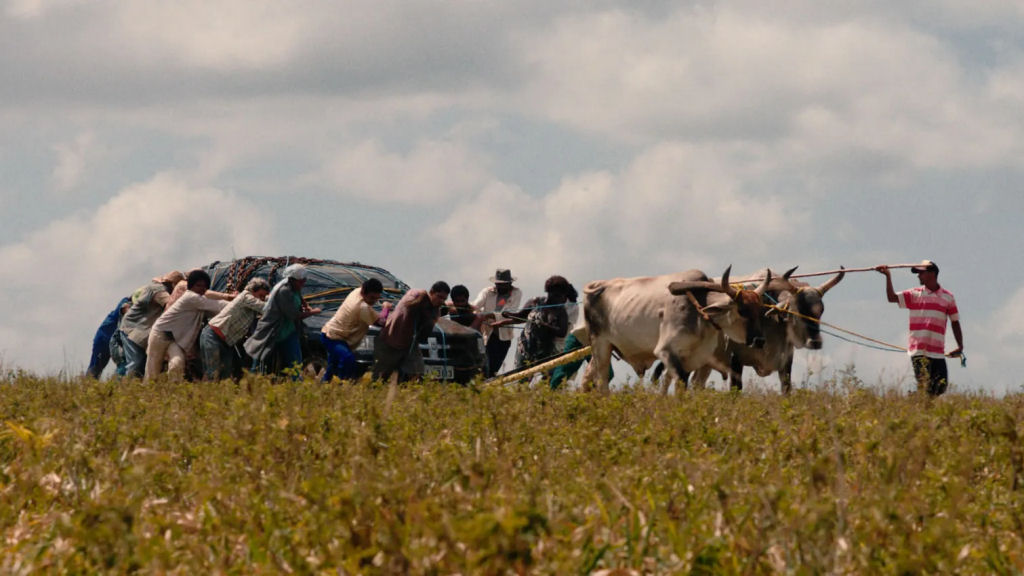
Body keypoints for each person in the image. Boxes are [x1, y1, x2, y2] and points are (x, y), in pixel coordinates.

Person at [876, 260, 964, 396]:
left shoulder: (948, 297)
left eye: (921, 273)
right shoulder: (914, 294)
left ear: (932, 273)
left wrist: (960, 345)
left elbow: (955, 322)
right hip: (919, 350)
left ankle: (914, 399)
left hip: (937, 351)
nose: (918, 276)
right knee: (925, 386)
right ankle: (917, 404)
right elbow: (891, 297)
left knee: (940, 386)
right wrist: (888, 276)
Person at [145, 269, 231, 381]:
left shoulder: (198, 299)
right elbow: (218, 305)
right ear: (190, 286)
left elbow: (212, 305)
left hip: (175, 338)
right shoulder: (190, 297)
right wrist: (236, 301)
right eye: (198, 285)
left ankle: (173, 390)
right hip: (160, 334)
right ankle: (148, 391)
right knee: (152, 368)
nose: (201, 288)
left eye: (204, 286)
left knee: (177, 363)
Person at [244, 264, 322, 377]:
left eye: (304, 281)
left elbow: (300, 296)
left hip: (288, 332)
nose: (303, 284)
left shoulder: (295, 288)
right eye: (301, 281)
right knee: (260, 364)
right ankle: (252, 386)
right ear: (292, 280)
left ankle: (296, 388)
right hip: (272, 331)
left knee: (295, 364)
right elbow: (294, 315)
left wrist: (307, 305)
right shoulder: (283, 291)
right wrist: (313, 312)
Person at [372, 281, 450, 383]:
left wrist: (431, 320)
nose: (441, 301)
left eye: (444, 299)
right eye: (439, 297)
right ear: (431, 292)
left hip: (410, 344)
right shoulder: (417, 294)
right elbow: (407, 305)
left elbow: (423, 337)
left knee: (417, 373)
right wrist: (422, 305)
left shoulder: (435, 311)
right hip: (391, 340)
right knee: (380, 377)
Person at [200, 277, 272, 381]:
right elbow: (265, 308)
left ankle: (219, 395)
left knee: (226, 373)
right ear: (253, 291)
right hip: (213, 336)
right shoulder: (246, 297)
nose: (261, 298)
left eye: (263, 297)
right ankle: (205, 394)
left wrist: (267, 298)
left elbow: (263, 302)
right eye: (260, 295)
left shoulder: (251, 300)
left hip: (225, 341)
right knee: (213, 372)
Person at [320, 278, 391, 382]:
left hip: (335, 334)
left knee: (333, 364)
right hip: (333, 337)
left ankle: (325, 384)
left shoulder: (356, 291)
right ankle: (344, 385)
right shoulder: (362, 307)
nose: (374, 301)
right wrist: (386, 308)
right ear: (363, 292)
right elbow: (381, 322)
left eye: (377, 298)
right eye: (371, 298)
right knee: (348, 359)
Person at [495, 275, 571, 370]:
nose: (561, 299)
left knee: (545, 380)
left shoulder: (561, 311)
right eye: (557, 295)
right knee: (521, 378)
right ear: (549, 292)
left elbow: (562, 332)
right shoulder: (535, 302)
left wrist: (544, 325)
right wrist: (509, 315)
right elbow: (521, 317)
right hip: (525, 347)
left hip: (544, 351)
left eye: (562, 296)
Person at [119, 270, 185, 378]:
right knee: (135, 363)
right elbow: (172, 306)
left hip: (138, 330)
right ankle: (127, 387)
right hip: (132, 330)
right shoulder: (159, 291)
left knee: (140, 363)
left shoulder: (155, 287)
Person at [473, 269, 522, 376]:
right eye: (498, 284)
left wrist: (488, 315)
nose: (500, 287)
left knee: (493, 369)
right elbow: (476, 305)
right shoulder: (487, 292)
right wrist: (470, 309)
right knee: (482, 366)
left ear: (510, 283)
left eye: (503, 284)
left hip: (504, 336)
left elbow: (509, 312)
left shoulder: (516, 293)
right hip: (486, 334)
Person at [86, 296, 131, 379]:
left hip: (116, 342)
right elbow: (125, 309)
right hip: (104, 339)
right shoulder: (125, 302)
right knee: (96, 368)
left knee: (124, 365)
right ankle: (88, 385)